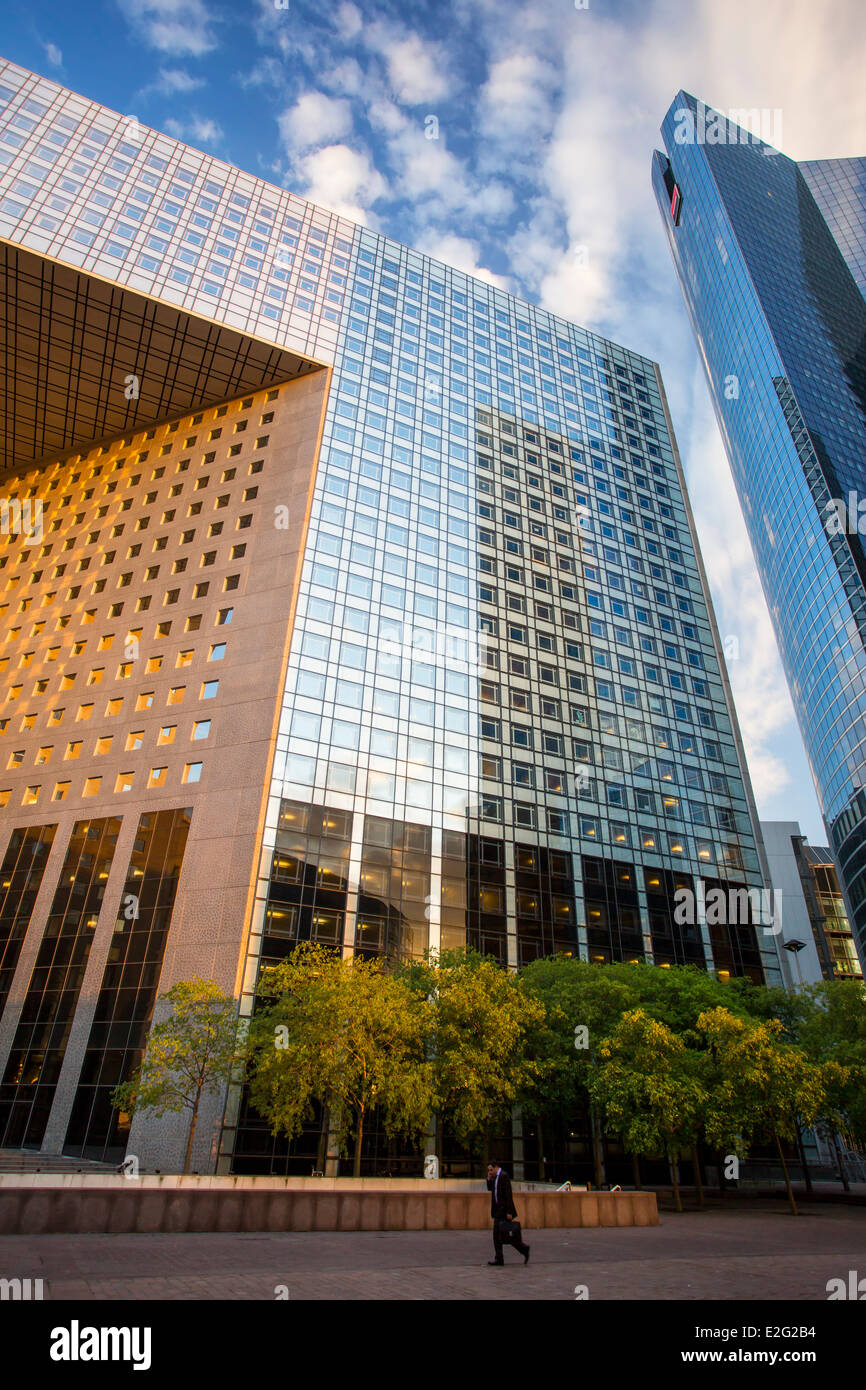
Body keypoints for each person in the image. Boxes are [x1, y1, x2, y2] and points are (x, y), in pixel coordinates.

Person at [486, 1161, 530, 1266]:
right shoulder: (495, 1177)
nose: (490, 1172)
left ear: (496, 1167)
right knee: (500, 1236)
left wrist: (509, 1211)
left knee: (502, 1236)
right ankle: (501, 1258)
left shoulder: (504, 1176)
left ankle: (523, 1249)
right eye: (488, 1170)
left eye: (491, 1170)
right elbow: (489, 1188)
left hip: (504, 1211)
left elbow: (508, 1194)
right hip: (497, 1211)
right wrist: (489, 1178)